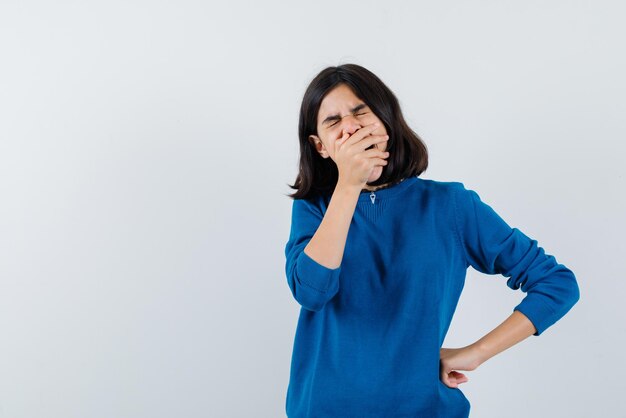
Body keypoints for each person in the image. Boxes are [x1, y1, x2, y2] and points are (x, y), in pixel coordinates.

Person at [283, 63, 580, 418]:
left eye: (361, 111)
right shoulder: (313, 209)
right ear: (320, 147)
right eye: (333, 122)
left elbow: (557, 283)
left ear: (386, 120)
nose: (351, 126)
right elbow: (311, 292)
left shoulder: (451, 206)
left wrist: (477, 352)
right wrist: (348, 185)